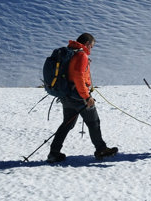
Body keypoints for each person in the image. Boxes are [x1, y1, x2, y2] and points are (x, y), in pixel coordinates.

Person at [47, 33, 118, 163]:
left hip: (67, 95)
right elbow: (78, 76)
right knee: (93, 122)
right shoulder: (81, 55)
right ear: (86, 44)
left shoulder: (71, 52)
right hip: (79, 97)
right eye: (91, 46)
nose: (91, 49)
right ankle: (101, 149)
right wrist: (87, 97)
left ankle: (54, 152)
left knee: (67, 124)